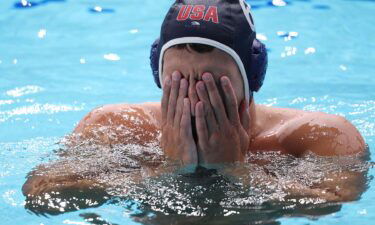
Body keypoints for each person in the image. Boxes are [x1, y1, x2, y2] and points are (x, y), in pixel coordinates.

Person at [22, 0, 367, 215]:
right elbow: (40, 195)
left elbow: (336, 203)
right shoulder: (118, 124)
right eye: (178, 84)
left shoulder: (319, 135)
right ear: (159, 76)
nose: (194, 101)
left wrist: (236, 170)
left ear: (252, 77)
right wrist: (164, 170)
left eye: (213, 86)